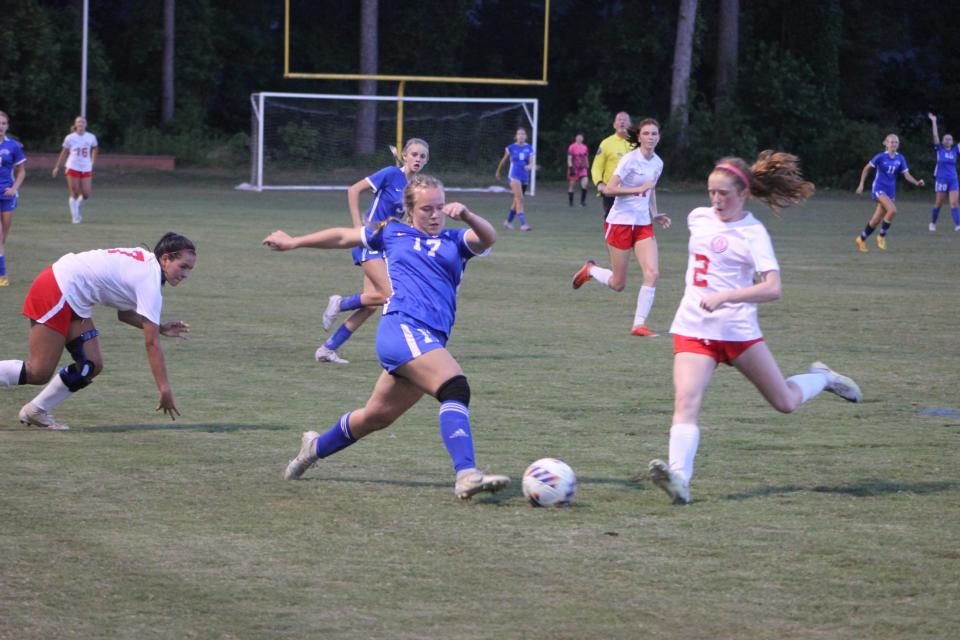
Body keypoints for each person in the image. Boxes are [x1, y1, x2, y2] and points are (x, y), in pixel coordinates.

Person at [263, 174, 511, 500]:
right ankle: (466, 474)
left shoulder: (455, 241)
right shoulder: (392, 232)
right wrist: (294, 241)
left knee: (375, 417)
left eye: (439, 207)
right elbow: (342, 236)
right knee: (455, 387)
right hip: (402, 328)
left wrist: (466, 215)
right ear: (410, 210)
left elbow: (488, 238)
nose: (435, 215)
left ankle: (313, 449)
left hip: (426, 340)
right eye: (426, 209)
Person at [647, 152, 863, 505]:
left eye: (724, 194)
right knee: (686, 399)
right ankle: (680, 480)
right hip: (693, 326)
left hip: (737, 332)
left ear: (743, 193)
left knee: (785, 402)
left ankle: (823, 377)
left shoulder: (753, 233)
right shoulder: (697, 217)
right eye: (711, 192)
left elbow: (773, 287)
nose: (716, 200)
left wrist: (727, 296)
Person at [0, 233, 196, 430]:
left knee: (90, 365)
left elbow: (125, 314)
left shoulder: (147, 267)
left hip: (73, 296)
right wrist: (165, 389)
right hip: (56, 288)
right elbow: (151, 344)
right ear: (165, 258)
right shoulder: (149, 281)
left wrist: (160, 328)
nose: (186, 274)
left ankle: (35, 410)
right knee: (39, 372)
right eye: (183, 266)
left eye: (189, 269)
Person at [316, 138, 430, 364]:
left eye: (422, 156)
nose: (418, 159)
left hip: (386, 246)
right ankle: (339, 302)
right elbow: (354, 190)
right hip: (370, 241)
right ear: (405, 156)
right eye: (414, 154)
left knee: (370, 305)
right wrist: (357, 226)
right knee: (388, 296)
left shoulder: (415, 187)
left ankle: (327, 349)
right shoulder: (390, 173)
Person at [572, 118, 670, 337]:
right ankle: (591, 270)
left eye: (654, 134)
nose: (650, 137)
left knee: (652, 273)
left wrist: (655, 214)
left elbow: (650, 189)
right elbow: (609, 189)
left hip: (643, 224)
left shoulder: (658, 163)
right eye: (646, 133)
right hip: (620, 223)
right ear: (639, 137)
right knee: (618, 283)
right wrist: (637, 189)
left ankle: (639, 325)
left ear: (659, 137)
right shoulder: (629, 160)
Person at [854, 133, 924, 251]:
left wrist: (916, 182)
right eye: (891, 142)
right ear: (886, 143)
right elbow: (866, 168)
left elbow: (906, 175)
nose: (893, 144)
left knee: (876, 220)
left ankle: (861, 239)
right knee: (892, 210)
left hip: (890, 191)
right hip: (878, 189)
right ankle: (881, 236)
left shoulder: (900, 158)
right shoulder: (880, 157)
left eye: (896, 142)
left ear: (898, 144)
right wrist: (861, 184)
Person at [52, 116, 98, 224]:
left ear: (86, 124)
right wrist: (57, 167)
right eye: (78, 122)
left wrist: (92, 162)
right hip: (73, 166)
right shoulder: (70, 137)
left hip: (86, 167)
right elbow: (64, 152)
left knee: (86, 194)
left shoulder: (91, 137)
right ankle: (75, 217)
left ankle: (76, 206)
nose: (81, 124)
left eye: (83, 122)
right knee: (75, 192)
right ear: (75, 124)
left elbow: (95, 148)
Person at [0, 110, 27, 287]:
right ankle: (2, 275)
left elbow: (22, 171)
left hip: (7, 196)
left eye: (3, 123)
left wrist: (14, 188)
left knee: (3, 239)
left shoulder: (13, 146)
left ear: (7, 126)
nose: (0, 126)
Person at [591, 111, 633, 218]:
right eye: (619, 119)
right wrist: (599, 183)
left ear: (630, 124)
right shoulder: (606, 143)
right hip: (611, 192)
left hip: (632, 192)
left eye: (625, 120)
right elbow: (597, 167)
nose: (622, 122)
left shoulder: (637, 144)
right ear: (614, 124)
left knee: (632, 226)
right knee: (612, 225)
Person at [495, 127, 534, 231]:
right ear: (516, 136)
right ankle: (523, 224)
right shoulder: (511, 147)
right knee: (520, 199)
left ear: (526, 136)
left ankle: (508, 222)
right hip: (514, 176)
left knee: (516, 201)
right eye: (519, 134)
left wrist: (529, 166)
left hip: (524, 177)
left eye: (523, 134)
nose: (521, 136)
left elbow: (531, 162)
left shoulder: (529, 148)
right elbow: (503, 160)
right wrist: (498, 171)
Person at [927, 112, 959, 232]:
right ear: (943, 140)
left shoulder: (956, 150)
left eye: (950, 139)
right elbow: (935, 135)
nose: (948, 140)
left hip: (953, 179)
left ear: (952, 141)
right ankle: (932, 223)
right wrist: (934, 121)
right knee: (939, 203)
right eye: (946, 139)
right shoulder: (939, 148)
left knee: (954, 203)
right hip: (941, 179)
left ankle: (958, 225)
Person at [567, 133, 590, 207]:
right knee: (572, 185)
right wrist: (571, 168)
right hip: (574, 168)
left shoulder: (585, 147)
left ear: (583, 139)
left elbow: (586, 157)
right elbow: (569, 158)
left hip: (582, 168)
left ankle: (582, 202)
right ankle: (571, 202)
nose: (580, 139)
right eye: (578, 137)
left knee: (585, 183)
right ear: (576, 138)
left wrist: (587, 165)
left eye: (581, 137)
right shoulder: (572, 147)